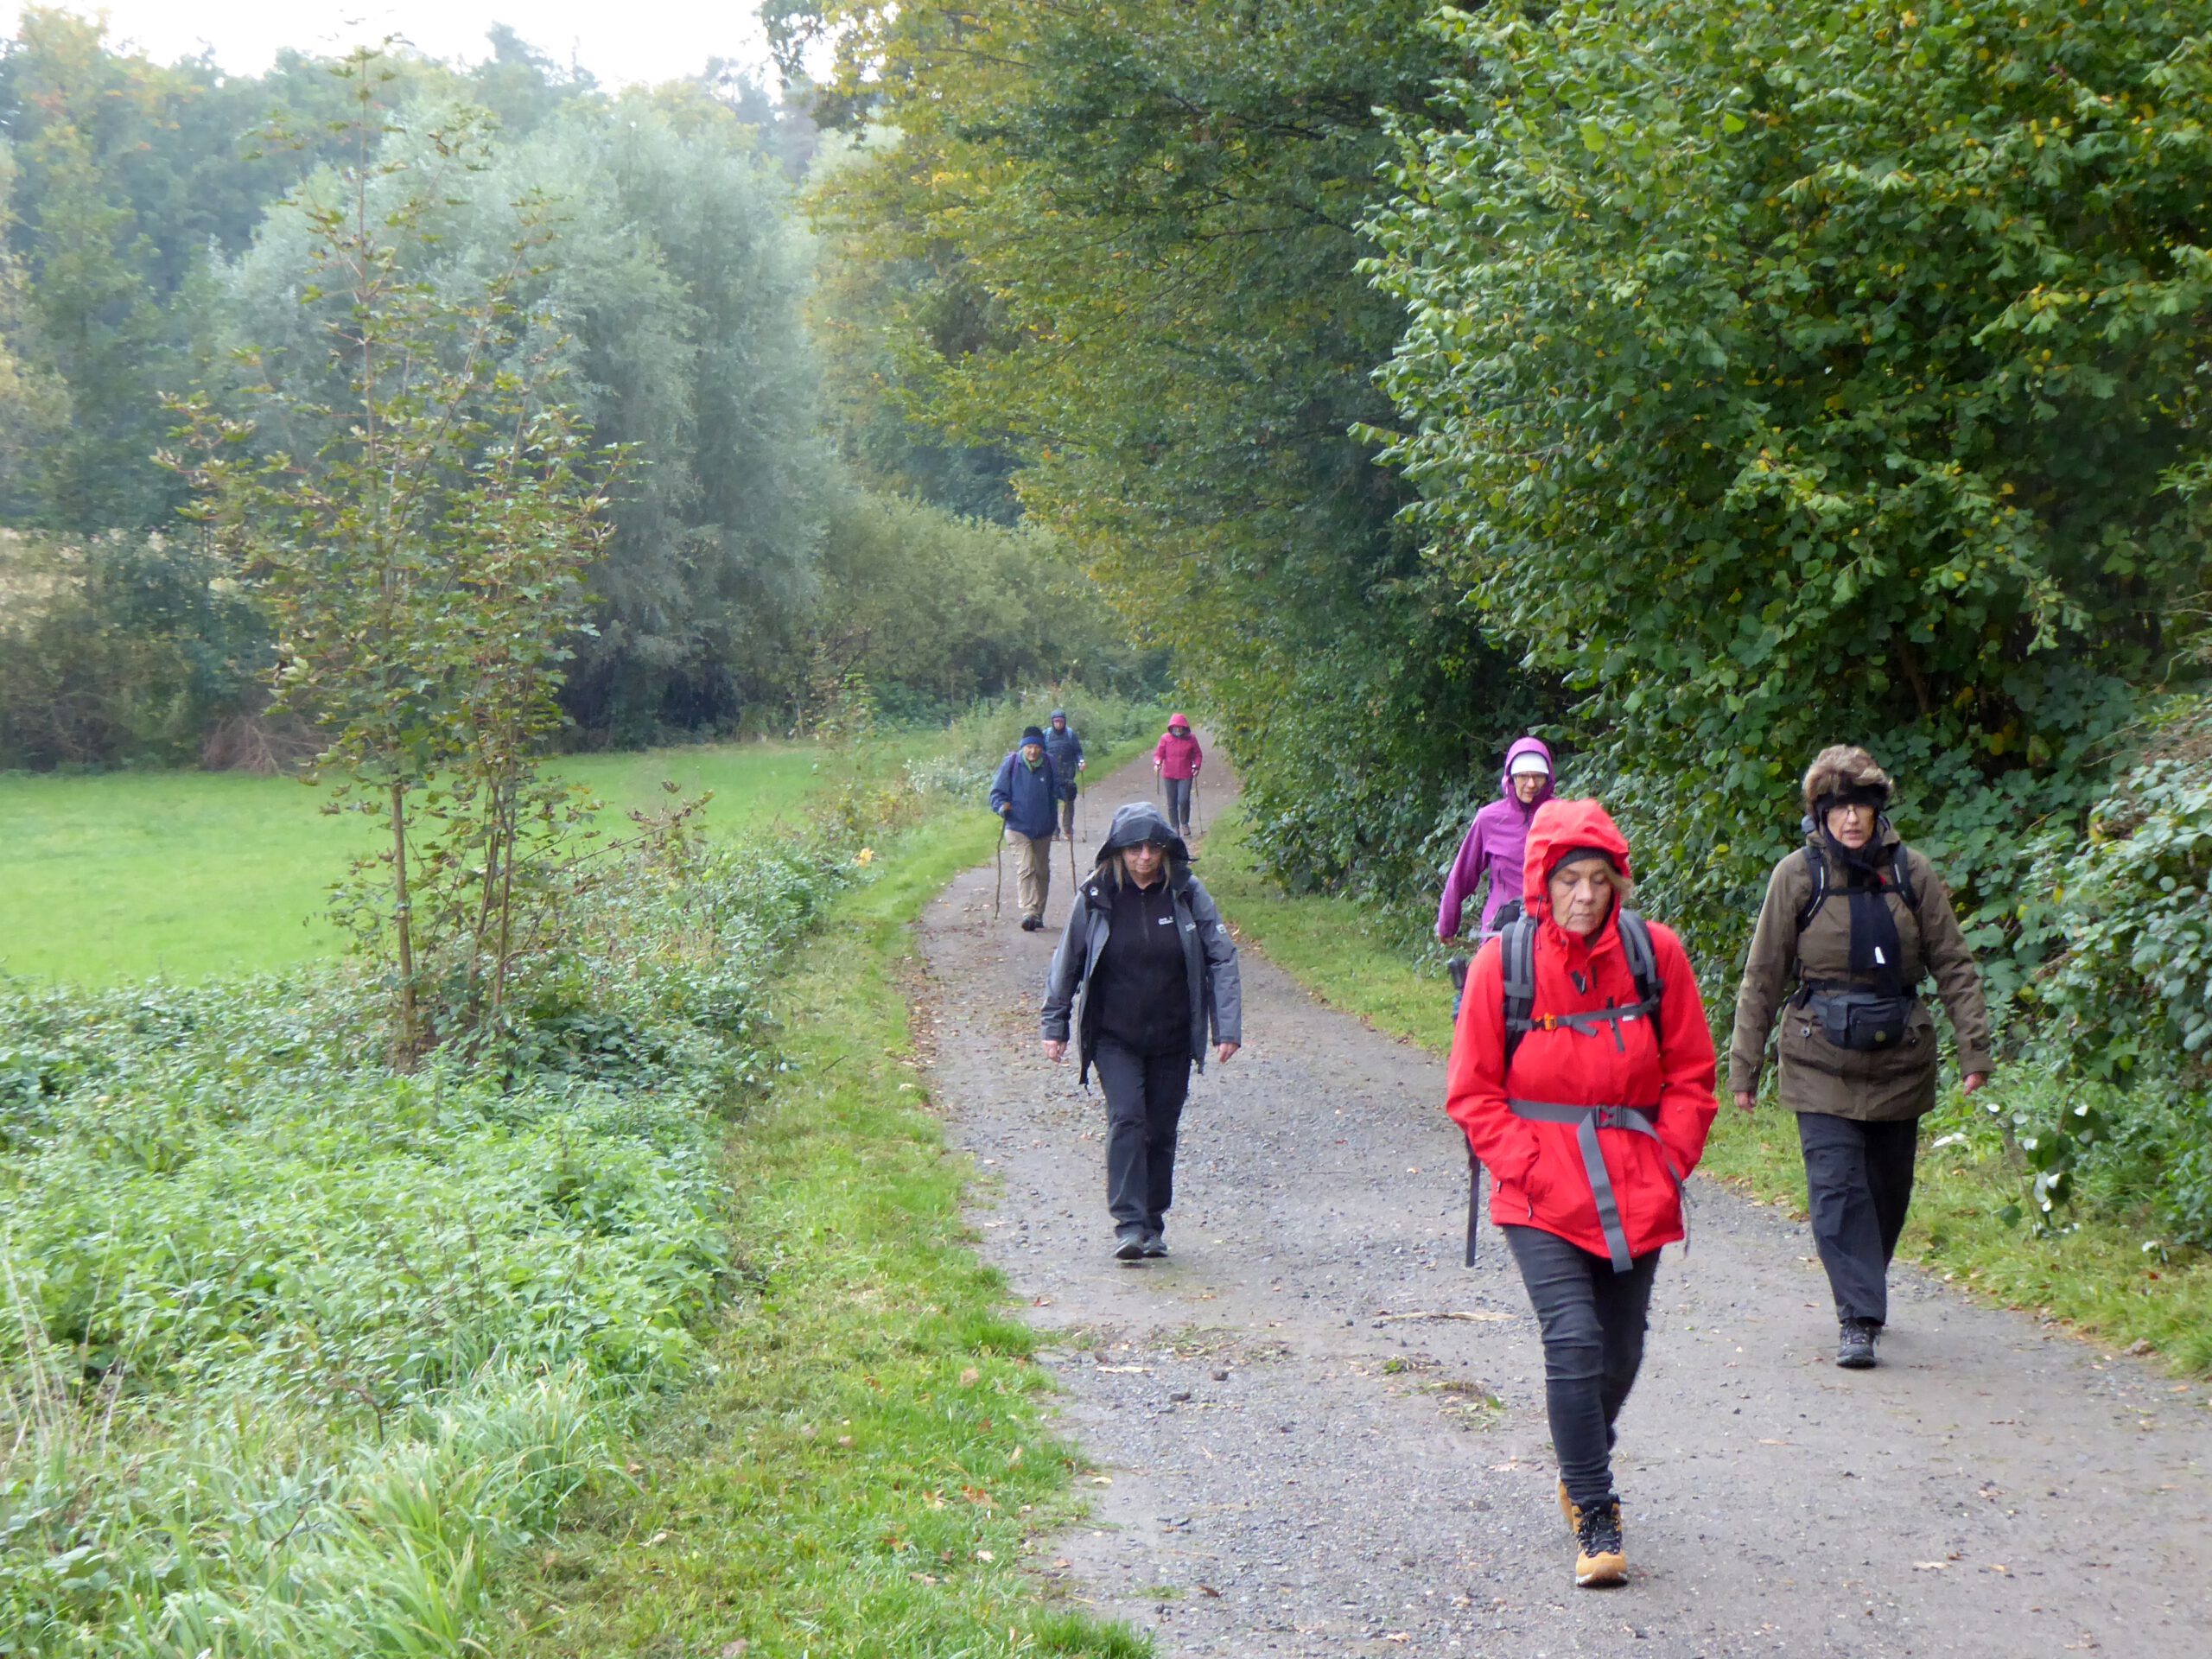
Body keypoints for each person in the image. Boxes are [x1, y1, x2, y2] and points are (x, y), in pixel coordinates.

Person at [1446, 798, 1716, 1590]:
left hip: (1636, 1180)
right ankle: (1597, 1512)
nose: (1586, 895)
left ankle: (1578, 1463)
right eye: (1570, 879)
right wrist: (1524, 1165)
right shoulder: (1507, 963)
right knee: (1573, 1339)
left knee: (1622, 1348)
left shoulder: (1656, 955)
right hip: (1539, 1189)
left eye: (1600, 879)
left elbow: (1692, 1075)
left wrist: (1669, 1161)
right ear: (1542, 883)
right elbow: (1472, 1092)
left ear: (1617, 885)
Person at [1728, 746, 1993, 1371]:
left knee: (1886, 1193)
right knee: (1837, 1191)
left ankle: (1863, 1284)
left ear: (1878, 810)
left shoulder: (1913, 873)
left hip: (1900, 1057)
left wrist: (1974, 1048)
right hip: (1818, 1058)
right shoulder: (1796, 876)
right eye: (1839, 808)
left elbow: (1953, 963)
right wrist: (1745, 1068)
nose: (1851, 820)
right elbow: (1762, 976)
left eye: (1862, 807)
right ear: (1820, 813)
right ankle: (1858, 1319)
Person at [1041, 802, 1242, 1262]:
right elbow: (1067, 962)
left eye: (1153, 847)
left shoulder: (1188, 893)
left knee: (1161, 1128)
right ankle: (1129, 1224)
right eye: (1134, 848)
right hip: (1115, 1035)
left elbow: (1222, 957)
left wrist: (1225, 1026)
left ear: (1167, 851)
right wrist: (1056, 1024)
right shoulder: (1097, 896)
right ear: (1119, 852)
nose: (1145, 857)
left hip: (1172, 1036)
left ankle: (1153, 1222)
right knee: (1127, 1118)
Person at [1439, 736, 1554, 944]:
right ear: (1511, 777)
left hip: (1551, 923)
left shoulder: (1562, 815)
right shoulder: (1489, 819)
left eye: (1538, 777)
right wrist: (1447, 924)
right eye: (1523, 777)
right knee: (1487, 974)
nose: (1531, 784)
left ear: (1548, 778)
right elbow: (1462, 874)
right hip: (1501, 926)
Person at [989, 726, 1062, 931]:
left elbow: (1058, 789)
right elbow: (996, 793)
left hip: (1043, 828)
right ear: (1023, 747)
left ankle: (1038, 914)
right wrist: (1001, 806)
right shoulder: (1012, 763)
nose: (1033, 751)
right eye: (1029, 747)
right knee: (1026, 866)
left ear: (1042, 748)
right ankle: (1029, 911)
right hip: (1017, 826)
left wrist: (1068, 790)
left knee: (1041, 871)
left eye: (1036, 747)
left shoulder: (1050, 763)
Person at [1152, 715, 1203, 839]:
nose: (1178, 730)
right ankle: (1174, 827)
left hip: (1185, 774)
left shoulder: (1191, 739)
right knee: (1171, 802)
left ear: (1185, 728)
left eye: (1180, 728)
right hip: (1169, 775)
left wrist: (1196, 766)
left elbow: (1197, 754)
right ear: (1171, 728)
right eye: (1175, 728)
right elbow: (1158, 754)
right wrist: (1157, 763)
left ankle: (1185, 822)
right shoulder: (1165, 738)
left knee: (1183, 799)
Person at [1044, 709, 1086, 841]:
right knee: (1051, 804)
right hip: (1050, 774)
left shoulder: (1070, 734)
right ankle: (1054, 831)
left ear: (1064, 721)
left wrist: (1081, 762)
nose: (1058, 724)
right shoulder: (1046, 734)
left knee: (1069, 801)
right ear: (1052, 722)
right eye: (1056, 721)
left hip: (1067, 774)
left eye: (1060, 721)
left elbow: (1078, 751)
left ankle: (1068, 829)